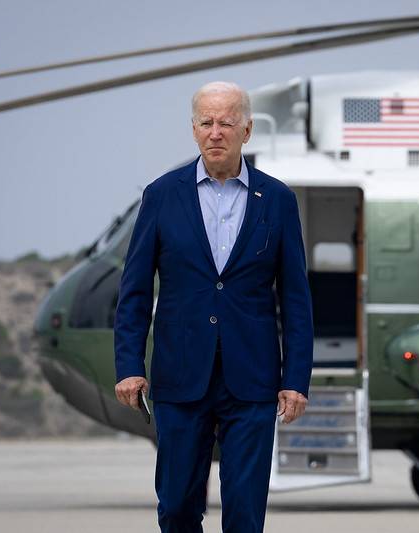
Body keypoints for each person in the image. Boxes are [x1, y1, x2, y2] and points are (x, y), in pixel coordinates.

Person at [113, 81, 314, 533]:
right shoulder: (162, 196)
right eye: (207, 122)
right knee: (178, 508)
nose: (216, 132)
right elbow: (135, 291)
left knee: (245, 514)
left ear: (247, 130)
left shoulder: (278, 200)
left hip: (253, 380)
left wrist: (295, 378)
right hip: (180, 377)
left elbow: (296, 299)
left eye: (226, 122)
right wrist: (128, 364)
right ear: (193, 130)